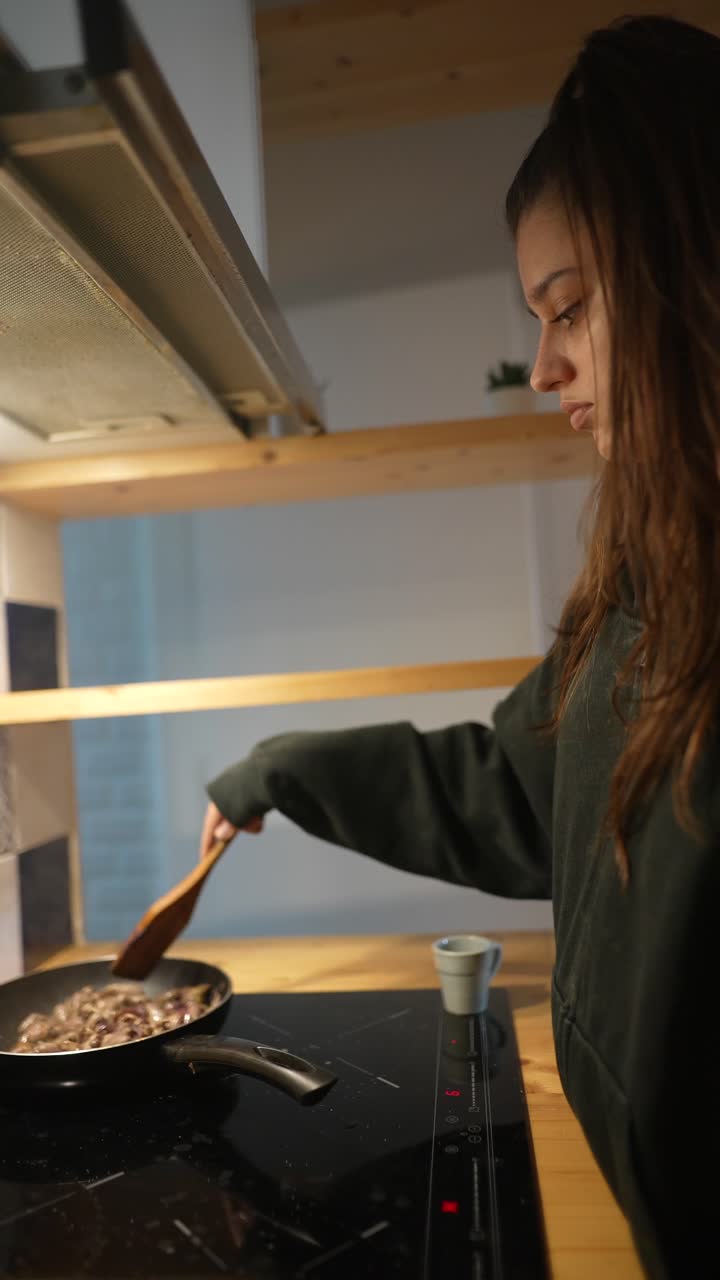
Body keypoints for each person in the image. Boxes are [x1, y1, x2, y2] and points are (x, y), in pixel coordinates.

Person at [198, 16, 719, 1279]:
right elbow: (518, 788)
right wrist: (283, 767)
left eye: (573, 306)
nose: (544, 365)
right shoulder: (654, 577)